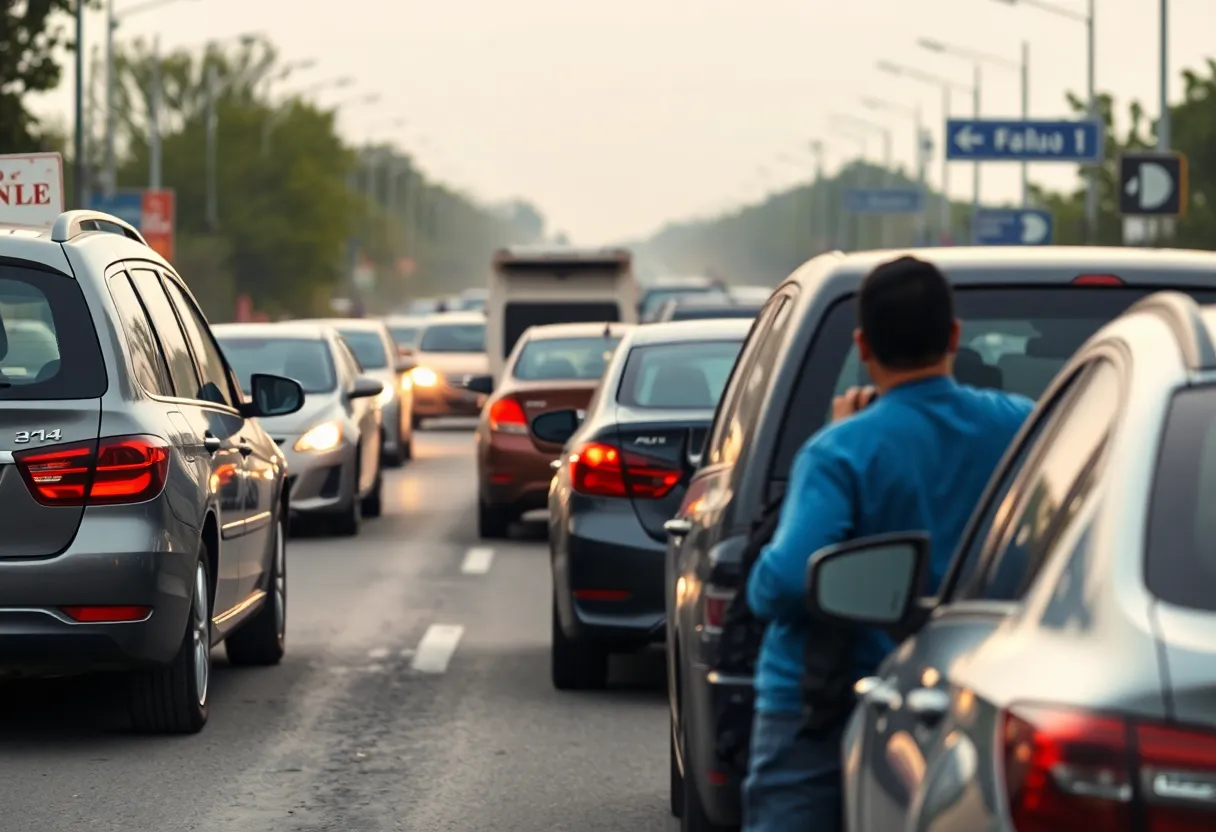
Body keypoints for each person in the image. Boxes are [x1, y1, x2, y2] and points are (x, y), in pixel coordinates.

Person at [742, 255, 1035, 831]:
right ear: (953, 336)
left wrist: (838, 429)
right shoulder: (1026, 429)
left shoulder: (840, 451)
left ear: (863, 347)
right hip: (985, 693)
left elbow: (784, 582)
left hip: (829, 703)